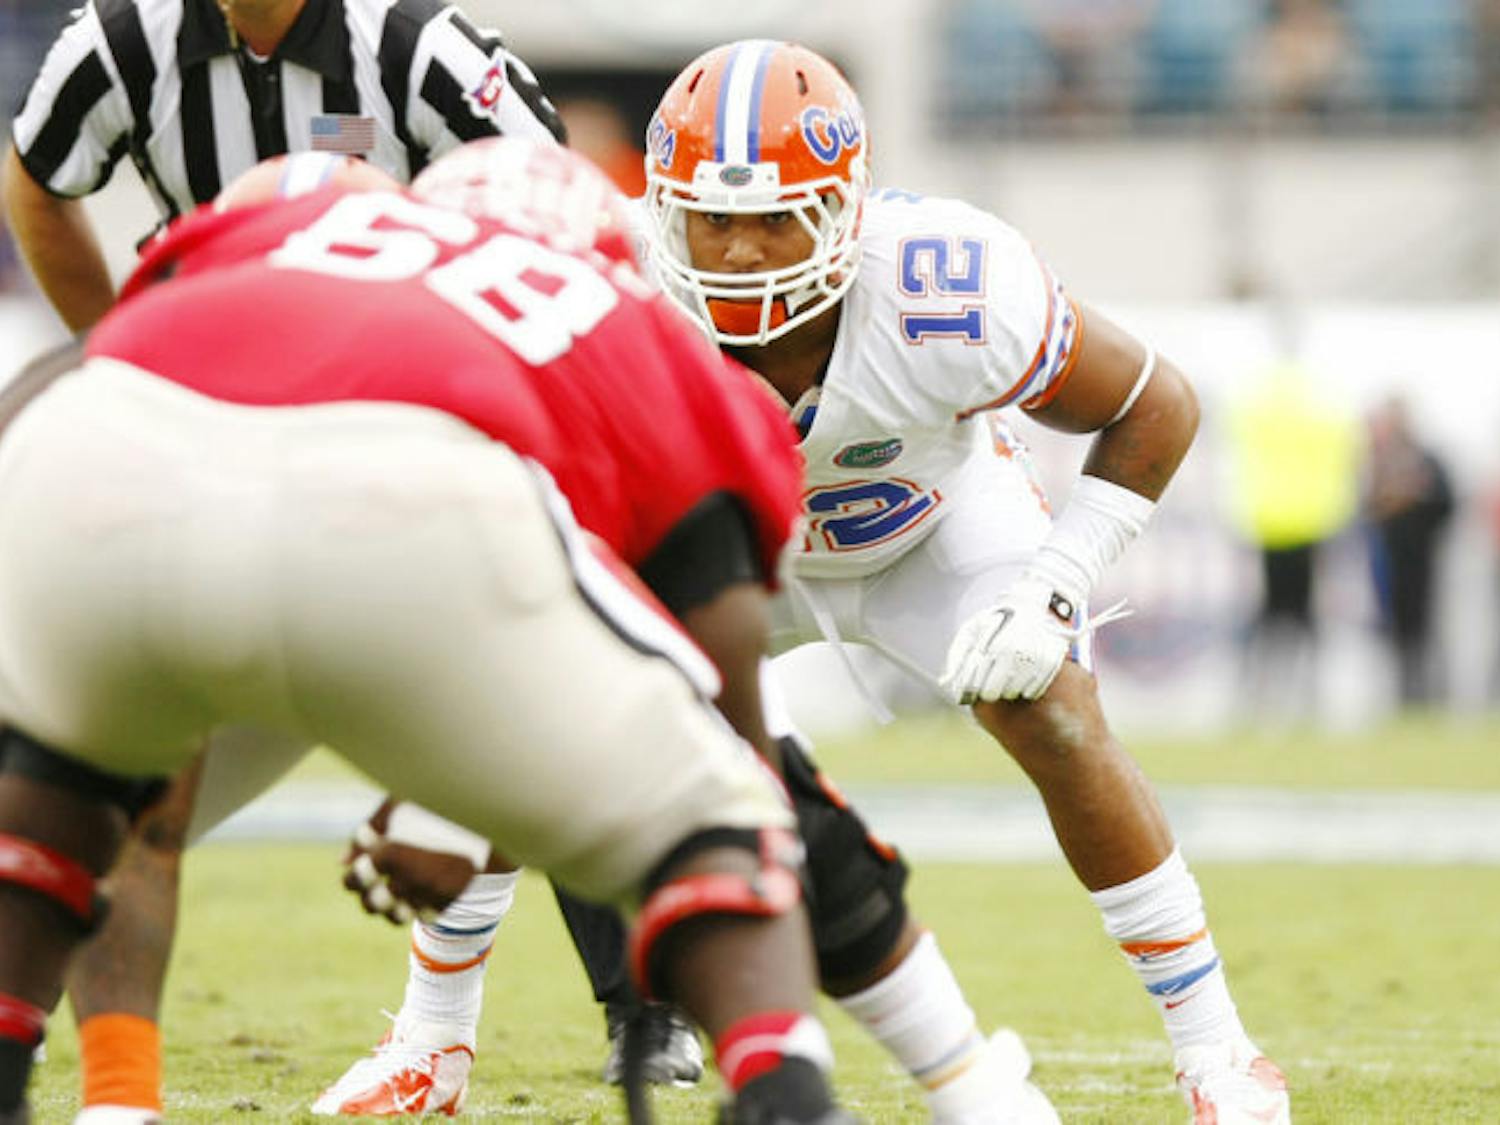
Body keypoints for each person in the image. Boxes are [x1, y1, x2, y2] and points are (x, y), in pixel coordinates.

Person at [0, 142, 857, 1125]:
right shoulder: (578, 302)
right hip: (393, 520)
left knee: (54, 804)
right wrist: (741, 796)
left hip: (98, 468)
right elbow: (686, 627)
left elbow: (70, 381)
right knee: (718, 812)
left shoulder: (218, 249)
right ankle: (786, 1088)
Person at [312, 138, 1058, 1124]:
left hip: (641, 564)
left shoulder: (659, 390)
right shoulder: (394, 365)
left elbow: (676, 641)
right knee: (591, 751)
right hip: (278, 552)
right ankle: (434, 1039)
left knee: (746, 792)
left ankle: (943, 1081)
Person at [635, 39, 1290, 1125]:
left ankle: (1216, 1048)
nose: (744, 249)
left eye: (779, 214)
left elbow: (1156, 403)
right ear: (668, 213)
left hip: (931, 524)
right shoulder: (630, 308)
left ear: (842, 210)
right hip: (739, 553)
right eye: (714, 217)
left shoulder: (950, 283)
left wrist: (1057, 586)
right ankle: (433, 1037)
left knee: (1057, 715)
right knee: (575, 713)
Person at [2, 3, 564, 1118]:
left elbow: (559, 222)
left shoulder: (414, 53)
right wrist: (126, 355)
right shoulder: (120, 46)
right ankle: (115, 1096)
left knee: (590, 749)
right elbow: (37, 184)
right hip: (213, 464)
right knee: (98, 803)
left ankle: (496, 1034)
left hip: (404, 468)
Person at [1363, 396, 1454, 706]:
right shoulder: (1378, 461)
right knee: (1392, 630)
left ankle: (1429, 696)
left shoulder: (1427, 460)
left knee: (1424, 628)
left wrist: (1416, 497)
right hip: (1388, 560)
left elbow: (1445, 504)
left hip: (1422, 559)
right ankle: (1398, 697)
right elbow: (1367, 507)